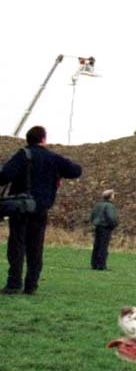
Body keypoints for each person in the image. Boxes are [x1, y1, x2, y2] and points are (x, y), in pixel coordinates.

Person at [1, 126, 83, 295]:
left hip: (20, 207)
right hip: (41, 208)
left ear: (27, 139)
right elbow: (76, 171)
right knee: (35, 247)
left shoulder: (22, 155)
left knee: (16, 246)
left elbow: (4, 176)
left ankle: (14, 284)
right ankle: (31, 285)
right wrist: (57, 175)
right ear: (43, 139)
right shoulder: (53, 158)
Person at [89, 188, 118, 270]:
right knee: (103, 246)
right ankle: (101, 265)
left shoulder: (97, 205)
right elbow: (111, 218)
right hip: (105, 228)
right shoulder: (109, 206)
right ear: (110, 197)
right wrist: (114, 225)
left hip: (97, 227)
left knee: (96, 245)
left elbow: (92, 215)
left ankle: (94, 264)